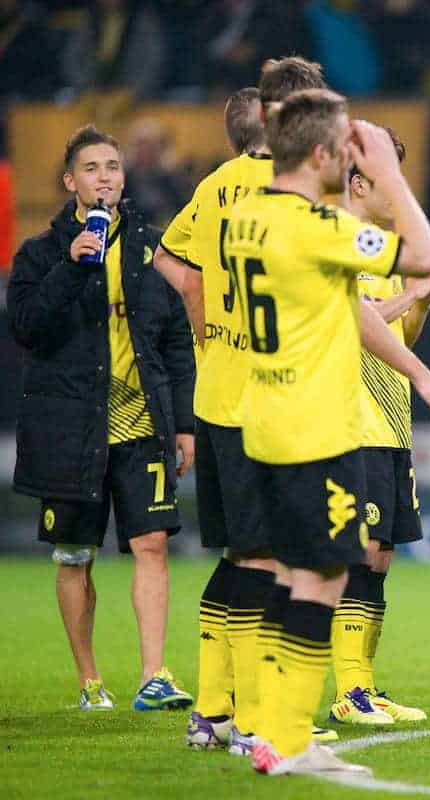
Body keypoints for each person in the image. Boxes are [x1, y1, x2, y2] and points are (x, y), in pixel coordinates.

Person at [230, 89, 430, 776]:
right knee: (323, 579)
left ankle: (270, 730)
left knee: (291, 576)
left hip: (261, 420)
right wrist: (388, 172)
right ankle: (290, 740)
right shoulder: (315, 230)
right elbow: (421, 254)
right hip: (317, 427)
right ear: (324, 154)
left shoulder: (248, 216)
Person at [153, 58, 334, 756]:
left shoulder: (217, 184)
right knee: (272, 559)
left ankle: (214, 708)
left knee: (239, 554)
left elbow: (170, 260)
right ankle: (257, 718)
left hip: (217, 391)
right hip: (270, 400)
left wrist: (207, 330)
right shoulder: (288, 190)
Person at [9, 124, 196, 713]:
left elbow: (175, 343)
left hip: (142, 425)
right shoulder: (39, 254)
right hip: (71, 431)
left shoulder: (153, 250)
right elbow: (26, 328)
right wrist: (70, 266)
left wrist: (186, 424)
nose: (105, 176)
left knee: (153, 545)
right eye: (91, 168)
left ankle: (153, 674)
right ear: (70, 182)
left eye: (112, 166)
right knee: (74, 555)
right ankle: (90, 681)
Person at [330, 132, 430, 726]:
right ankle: (347, 691)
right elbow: (352, 321)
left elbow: (398, 338)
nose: (397, 191)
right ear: (358, 184)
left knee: (380, 557)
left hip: (389, 421)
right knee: (357, 553)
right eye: (389, 179)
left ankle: (365, 685)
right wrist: (409, 293)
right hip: (348, 421)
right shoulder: (336, 240)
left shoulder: (381, 250)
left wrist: (422, 300)